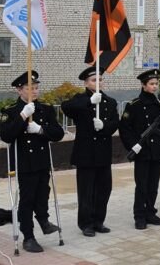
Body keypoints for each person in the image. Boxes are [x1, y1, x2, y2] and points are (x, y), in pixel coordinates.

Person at [0, 71, 64, 253]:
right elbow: (6, 136)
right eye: (31, 88)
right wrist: (22, 116)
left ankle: (43, 220)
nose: (35, 92)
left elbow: (58, 133)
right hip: (24, 162)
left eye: (36, 88)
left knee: (43, 193)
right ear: (19, 90)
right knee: (27, 199)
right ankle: (28, 236)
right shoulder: (10, 111)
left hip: (42, 160)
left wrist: (41, 129)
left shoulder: (45, 108)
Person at [61, 66, 119, 236]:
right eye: (94, 80)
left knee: (103, 189)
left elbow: (116, 124)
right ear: (86, 83)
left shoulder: (110, 102)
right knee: (86, 191)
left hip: (103, 153)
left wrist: (105, 126)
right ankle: (86, 224)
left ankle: (98, 221)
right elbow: (67, 107)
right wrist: (89, 102)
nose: (99, 82)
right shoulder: (80, 99)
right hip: (86, 154)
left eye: (101, 79)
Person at [119, 69, 160, 229]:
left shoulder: (159, 104)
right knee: (142, 185)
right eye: (152, 84)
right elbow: (125, 128)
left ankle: (150, 212)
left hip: (157, 150)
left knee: (153, 184)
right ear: (143, 85)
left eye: (156, 84)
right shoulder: (134, 105)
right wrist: (133, 144)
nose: (155, 87)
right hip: (143, 151)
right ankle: (139, 216)